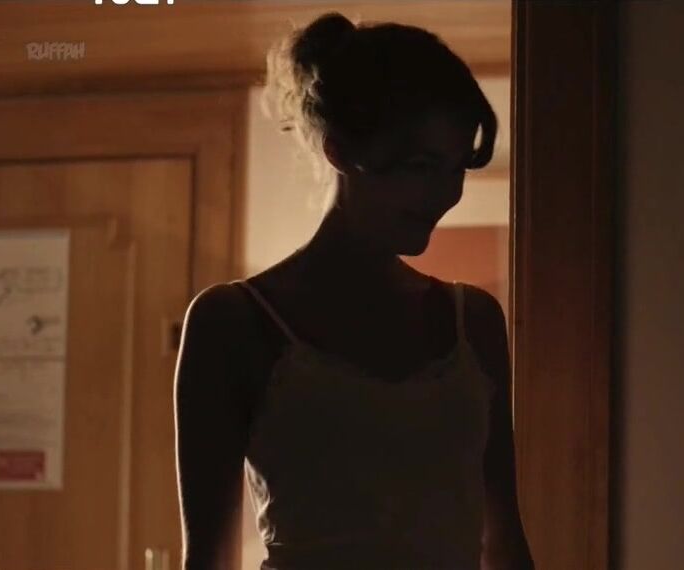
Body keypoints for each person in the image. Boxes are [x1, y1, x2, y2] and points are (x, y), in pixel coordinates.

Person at [173, 12, 532, 570]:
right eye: (421, 166)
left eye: (456, 168)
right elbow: (208, 560)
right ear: (339, 150)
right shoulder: (233, 321)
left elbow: (504, 542)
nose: (445, 194)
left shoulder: (475, 322)